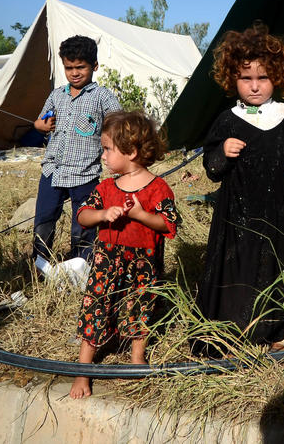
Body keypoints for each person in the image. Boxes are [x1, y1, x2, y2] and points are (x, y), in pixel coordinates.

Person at [193, 21, 284, 356]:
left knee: (276, 267)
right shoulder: (227, 119)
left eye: (262, 78)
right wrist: (223, 152)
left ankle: (277, 331)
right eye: (246, 78)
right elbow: (211, 168)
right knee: (235, 271)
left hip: (276, 214)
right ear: (232, 79)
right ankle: (228, 334)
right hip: (235, 217)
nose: (255, 86)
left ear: (277, 77)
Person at [69, 111, 180, 398]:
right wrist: (103, 214)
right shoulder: (106, 188)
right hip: (107, 261)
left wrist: (142, 215)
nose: (103, 156)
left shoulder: (158, 188)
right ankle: (84, 370)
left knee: (139, 307)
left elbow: (168, 224)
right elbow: (82, 216)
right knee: (95, 306)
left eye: (107, 149)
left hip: (143, 264)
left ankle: (136, 356)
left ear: (130, 151)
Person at [32, 35, 121, 265]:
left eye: (80, 67)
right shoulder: (57, 95)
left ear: (95, 66)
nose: (74, 72)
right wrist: (42, 125)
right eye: (69, 67)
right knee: (44, 219)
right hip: (52, 171)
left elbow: (118, 124)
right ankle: (40, 263)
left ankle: (80, 265)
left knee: (83, 223)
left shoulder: (102, 97)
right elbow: (38, 122)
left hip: (84, 174)